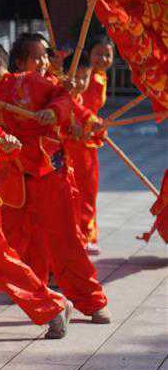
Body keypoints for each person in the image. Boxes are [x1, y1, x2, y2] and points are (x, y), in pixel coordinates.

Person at [0, 37, 111, 326]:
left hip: (48, 175)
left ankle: (92, 302)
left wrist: (55, 112)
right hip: (12, 180)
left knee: (66, 241)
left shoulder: (28, 82)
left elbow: (64, 99)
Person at [65, 36, 113, 254]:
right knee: (78, 191)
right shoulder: (82, 78)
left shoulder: (100, 77)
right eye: (98, 54)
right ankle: (80, 235)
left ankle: (87, 234)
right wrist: (89, 123)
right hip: (74, 143)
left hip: (88, 140)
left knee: (89, 190)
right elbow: (73, 105)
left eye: (107, 54)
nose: (102, 59)